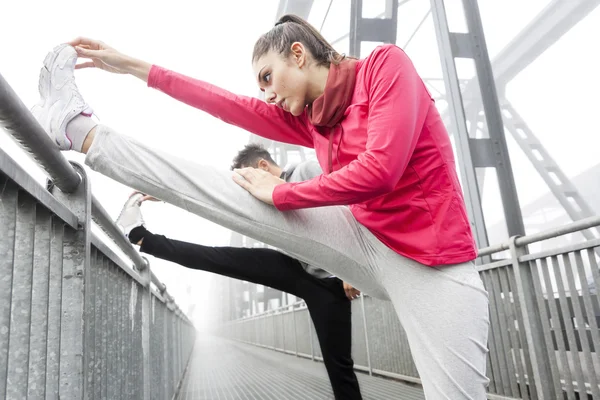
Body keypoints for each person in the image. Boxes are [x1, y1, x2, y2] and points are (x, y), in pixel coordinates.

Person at [32, 14, 490, 398]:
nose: (267, 94)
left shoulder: (385, 67)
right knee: (237, 191)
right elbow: (225, 104)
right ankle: (81, 131)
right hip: (366, 242)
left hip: (435, 265)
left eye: (268, 77)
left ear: (297, 53)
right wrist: (131, 65)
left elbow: (382, 170)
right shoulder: (313, 121)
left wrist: (283, 193)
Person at [115, 146, 362, 399]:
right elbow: (218, 198)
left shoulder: (307, 169)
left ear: (263, 167)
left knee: (339, 367)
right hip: (295, 267)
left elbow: (351, 210)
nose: (249, 187)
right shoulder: (264, 197)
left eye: (249, 177)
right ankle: (140, 236)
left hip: (330, 281)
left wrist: (351, 271)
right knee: (218, 259)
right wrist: (164, 192)